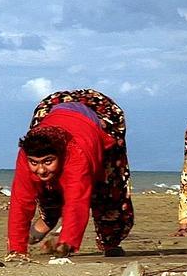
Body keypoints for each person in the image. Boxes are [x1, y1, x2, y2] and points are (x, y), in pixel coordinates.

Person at [7, 89, 134, 259]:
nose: (41, 169)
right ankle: (48, 218)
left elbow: (77, 201)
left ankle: (110, 242)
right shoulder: (26, 154)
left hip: (101, 113)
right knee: (45, 186)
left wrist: (66, 244)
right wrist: (16, 250)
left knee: (109, 190)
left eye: (47, 161)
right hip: (53, 105)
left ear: (59, 155)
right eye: (34, 162)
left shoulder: (76, 156)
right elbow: (20, 201)